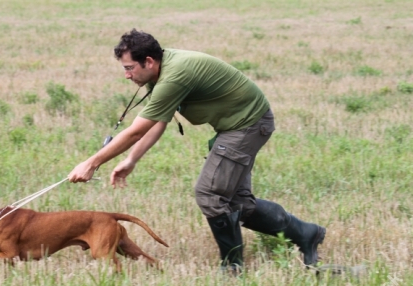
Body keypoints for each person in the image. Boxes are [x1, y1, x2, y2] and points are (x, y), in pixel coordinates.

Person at [68, 29, 325, 272]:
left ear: (148, 61)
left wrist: (92, 163)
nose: (126, 75)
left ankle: (233, 267)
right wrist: (132, 159)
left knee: (210, 194)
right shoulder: (160, 72)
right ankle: (305, 233)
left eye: (129, 68)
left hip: (247, 125)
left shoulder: (174, 75)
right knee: (238, 203)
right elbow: (159, 120)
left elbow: (136, 130)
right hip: (237, 126)